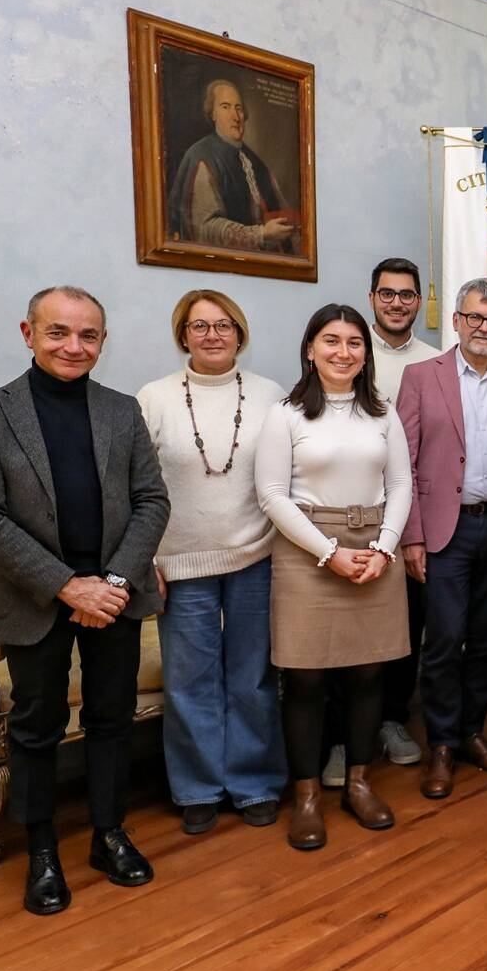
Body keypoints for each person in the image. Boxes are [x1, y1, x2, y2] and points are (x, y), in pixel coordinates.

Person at [0, 285, 170, 916]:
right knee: (36, 725)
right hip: (34, 598)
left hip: (114, 597)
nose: (73, 346)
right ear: (29, 334)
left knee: (111, 717)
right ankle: (42, 849)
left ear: (102, 341)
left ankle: (109, 833)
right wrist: (66, 585)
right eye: (58, 332)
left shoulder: (122, 411)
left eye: (88, 335)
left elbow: (152, 500)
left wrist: (114, 583)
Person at [256, 304, 412, 850]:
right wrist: (329, 553)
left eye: (354, 343)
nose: (343, 352)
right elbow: (271, 495)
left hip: (375, 549)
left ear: (365, 354)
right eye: (331, 341)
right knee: (305, 680)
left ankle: (359, 784)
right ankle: (306, 798)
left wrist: (384, 549)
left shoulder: (382, 412)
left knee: (369, 674)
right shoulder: (286, 414)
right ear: (310, 349)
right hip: (307, 550)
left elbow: (401, 484)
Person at [137, 290, 287, 836]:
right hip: (178, 562)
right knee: (189, 681)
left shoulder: (271, 395)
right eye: (199, 326)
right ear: (183, 335)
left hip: (256, 554)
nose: (212, 335)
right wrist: (145, 559)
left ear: (239, 334)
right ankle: (198, 788)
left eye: (224, 325)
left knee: (253, 678)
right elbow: (135, 486)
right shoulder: (153, 398)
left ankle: (255, 783)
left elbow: (287, 474)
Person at [397, 279, 487, 799]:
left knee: (486, 640)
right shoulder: (420, 376)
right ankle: (441, 743)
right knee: (443, 639)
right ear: (456, 321)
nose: (484, 327)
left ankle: (471, 733)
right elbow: (403, 463)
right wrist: (411, 536)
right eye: (475, 317)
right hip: (444, 529)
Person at [317, 257, 440, 790]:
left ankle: (390, 719)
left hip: (404, 519)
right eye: (386, 293)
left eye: (407, 294)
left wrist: (409, 533)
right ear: (371, 299)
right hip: (340, 521)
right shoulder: (346, 353)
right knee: (339, 636)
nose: (397, 303)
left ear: (419, 300)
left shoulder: (434, 362)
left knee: (403, 628)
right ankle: (340, 739)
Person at [166, 78, 297, 252]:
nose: (235, 117)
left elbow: (280, 209)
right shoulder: (201, 156)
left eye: (239, 108)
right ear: (213, 114)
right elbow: (204, 228)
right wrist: (261, 234)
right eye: (225, 107)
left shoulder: (254, 161)